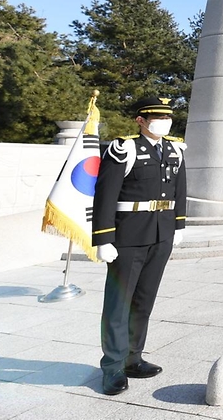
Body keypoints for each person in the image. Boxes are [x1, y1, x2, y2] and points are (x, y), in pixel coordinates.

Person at [92, 97, 187, 395]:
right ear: (140, 120)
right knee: (119, 304)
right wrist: (103, 238)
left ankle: (133, 358)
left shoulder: (175, 149)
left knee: (143, 302)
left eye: (168, 117)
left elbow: (180, 189)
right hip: (128, 237)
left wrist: (179, 225)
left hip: (161, 235)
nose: (165, 121)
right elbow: (105, 195)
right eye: (157, 116)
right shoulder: (124, 148)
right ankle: (112, 368)